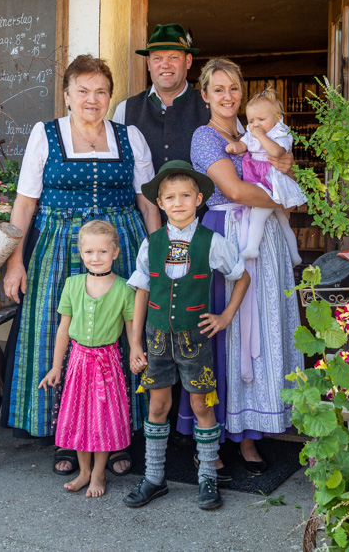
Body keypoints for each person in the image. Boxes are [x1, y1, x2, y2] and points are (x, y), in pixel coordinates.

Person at [1, 54, 160, 478]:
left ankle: (118, 435)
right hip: (59, 247)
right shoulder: (46, 134)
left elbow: (146, 200)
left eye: (101, 91)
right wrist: (15, 262)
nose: (93, 99)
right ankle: (66, 438)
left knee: (124, 338)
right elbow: (25, 202)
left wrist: (156, 253)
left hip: (122, 245)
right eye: (83, 91)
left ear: (110, 96)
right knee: (63, 338)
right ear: (68, 95)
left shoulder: (130, 137)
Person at [188, 58, 304, 474]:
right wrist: (286, 195)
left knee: (267, 326)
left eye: (234, 88)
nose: (227, 96)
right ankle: (216, 435)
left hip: (266, 237)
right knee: (230, 331)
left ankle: (252, 433)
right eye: (218, 89)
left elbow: (284, 162)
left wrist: (284, 172)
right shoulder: (205, 137)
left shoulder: (257, 130)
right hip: (228, 235)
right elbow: (234, 188)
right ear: (204, 95)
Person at [123, 161, 250, 511]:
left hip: (195, 339)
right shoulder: (152, 243)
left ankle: (208, 476)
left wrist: (225, 317)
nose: (178, 203)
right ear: (160, 203)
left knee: (200, 404)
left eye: (185, 196)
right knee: (159, 404)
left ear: (198, 199)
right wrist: (135, 342)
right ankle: (154, 477)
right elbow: (141, 292)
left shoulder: (212, 242)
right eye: (170, 197)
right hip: (157, 337)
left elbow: (241, 277)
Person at [38, 220, 136, 498]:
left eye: (103, 252)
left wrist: (137, 355)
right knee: (80, 418)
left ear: (115, 252)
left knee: (102, 419)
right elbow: (63, 329)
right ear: (81, 253)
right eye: (89, 252)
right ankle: (83, 472)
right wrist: (57, 366)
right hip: (78, 363)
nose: (96, 258)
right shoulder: (72, 284)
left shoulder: (124, 288)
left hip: (108, 362)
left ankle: (98, 472)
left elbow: (131, 330)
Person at [224, 84, 306, 265]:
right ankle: (295, 255)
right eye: (251, 120)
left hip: (271, 179)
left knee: (259, 213)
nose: (255, 125)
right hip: (256, 175)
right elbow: (243, 144)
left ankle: (252, 247)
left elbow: (276, 152)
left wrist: (261, 136)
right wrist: (235, 147)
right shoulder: (252, 133)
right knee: (283, 221)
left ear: (277, 118)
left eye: (261, 119)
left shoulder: (281, 132)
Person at [112, 23, 211, 172]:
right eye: (157, 58)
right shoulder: (125, 110)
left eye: (173, 57)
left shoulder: (212, 106)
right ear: (148, 63)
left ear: (188, 61)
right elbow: (114, 164)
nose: (165, 65)